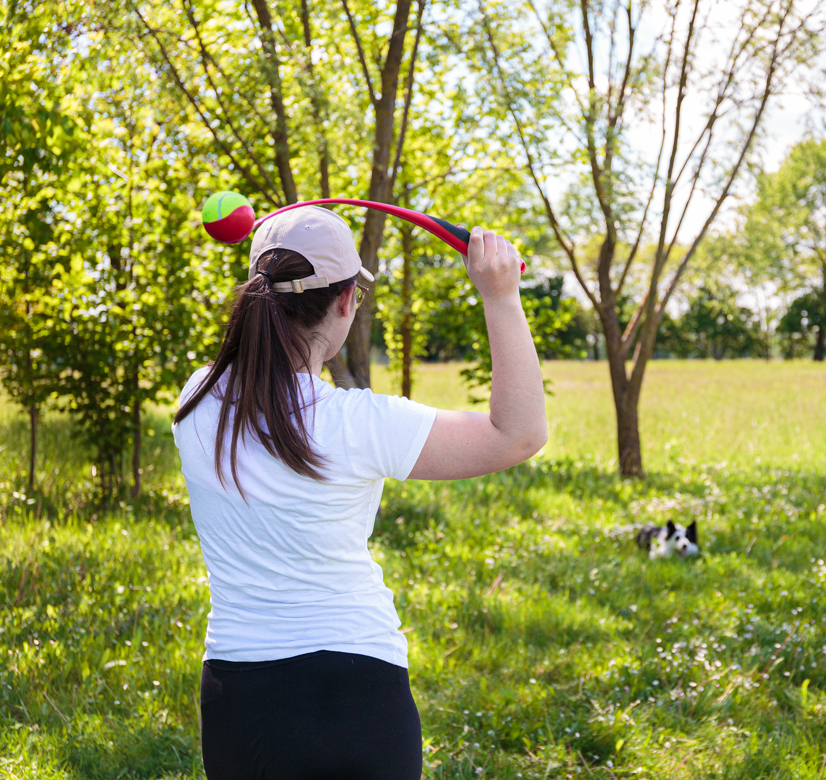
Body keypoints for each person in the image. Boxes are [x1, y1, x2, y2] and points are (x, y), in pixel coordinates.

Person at [172, 206, 546, 780]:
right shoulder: (359, 424)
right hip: (359, 698)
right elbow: (518, 435)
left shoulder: (196, 401)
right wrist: (501, 296)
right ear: (346, 302)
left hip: (239, 705)